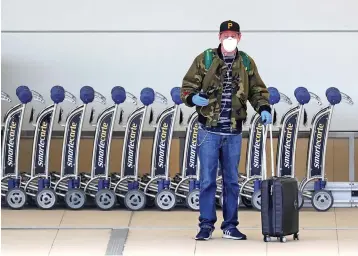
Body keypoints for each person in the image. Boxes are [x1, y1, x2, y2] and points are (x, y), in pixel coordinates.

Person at [180, 20, 272, 241]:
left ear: (239, 37)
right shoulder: (206, 59)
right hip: (209, 131)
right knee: (207, 180)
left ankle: (230, 226)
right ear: (219, 37)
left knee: (231, 180)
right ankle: (206, 225)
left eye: (233, 35)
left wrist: (264, 107)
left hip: (233, 132)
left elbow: (257, 90)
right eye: (226, 35)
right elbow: (187, 86)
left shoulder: (247, 62)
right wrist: (192, 98)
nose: (229, 39)